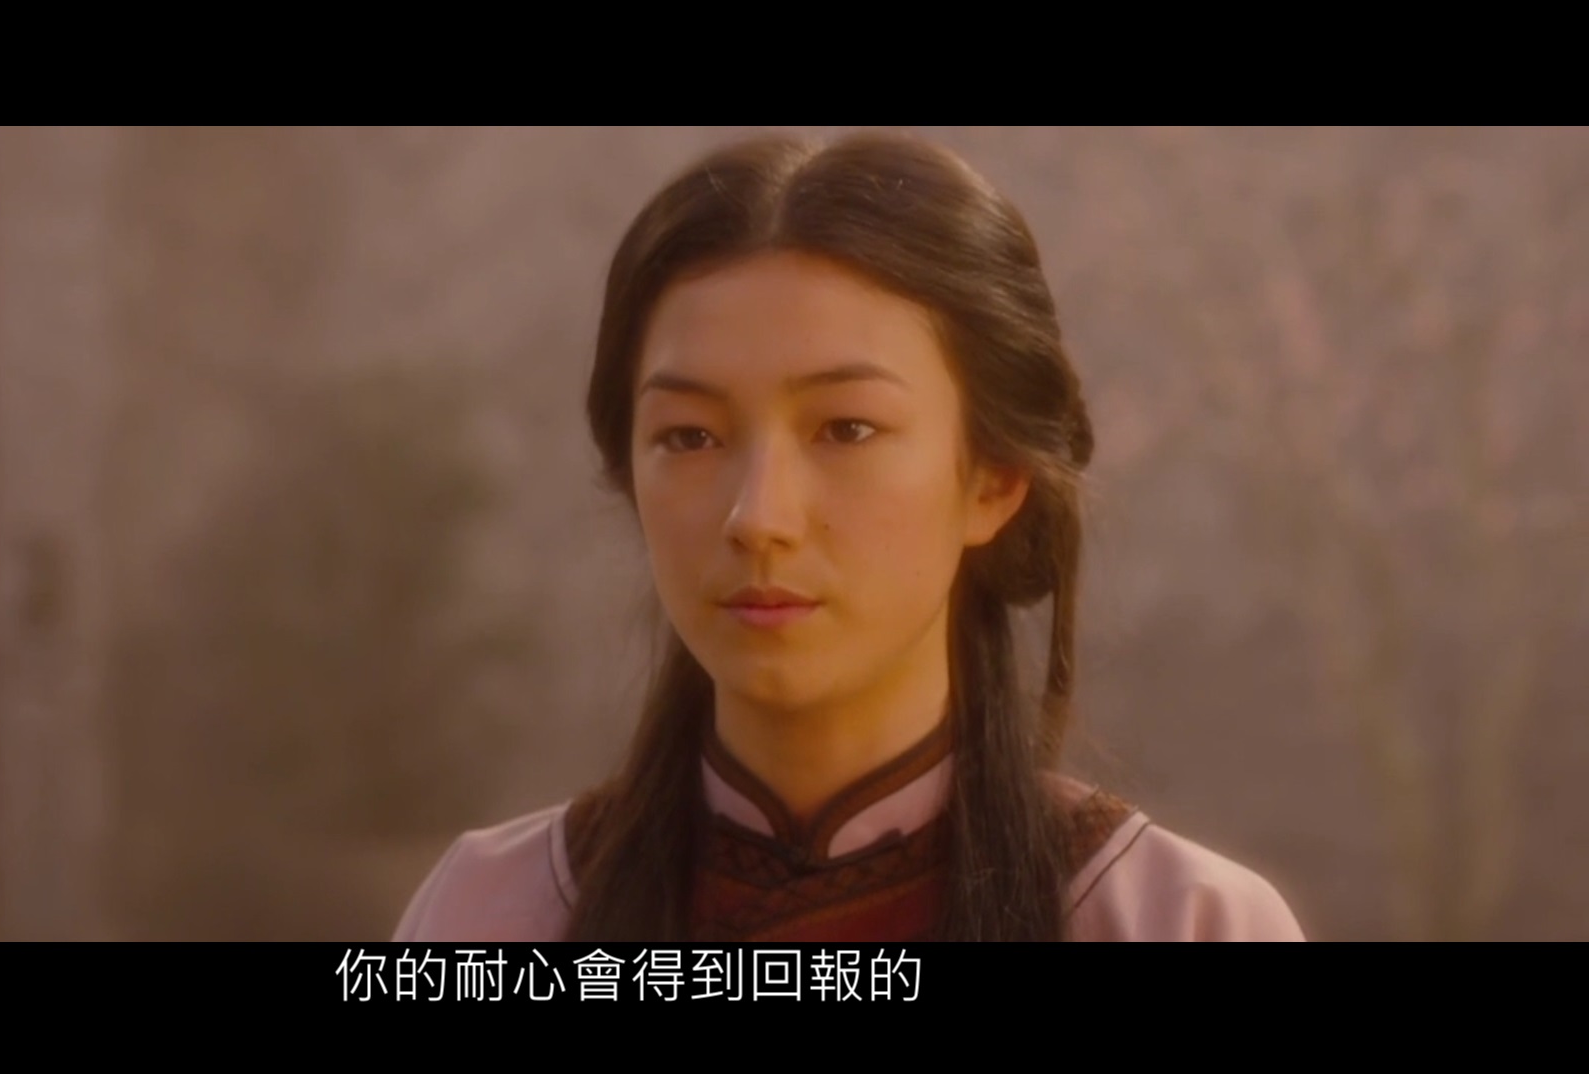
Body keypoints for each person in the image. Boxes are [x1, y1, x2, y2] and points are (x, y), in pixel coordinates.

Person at [394, 131, 1305, 942]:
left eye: (847, 428)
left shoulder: (1176, 921)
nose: (758, 517)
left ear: (993, 479)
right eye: (691, 437)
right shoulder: (493, 911)